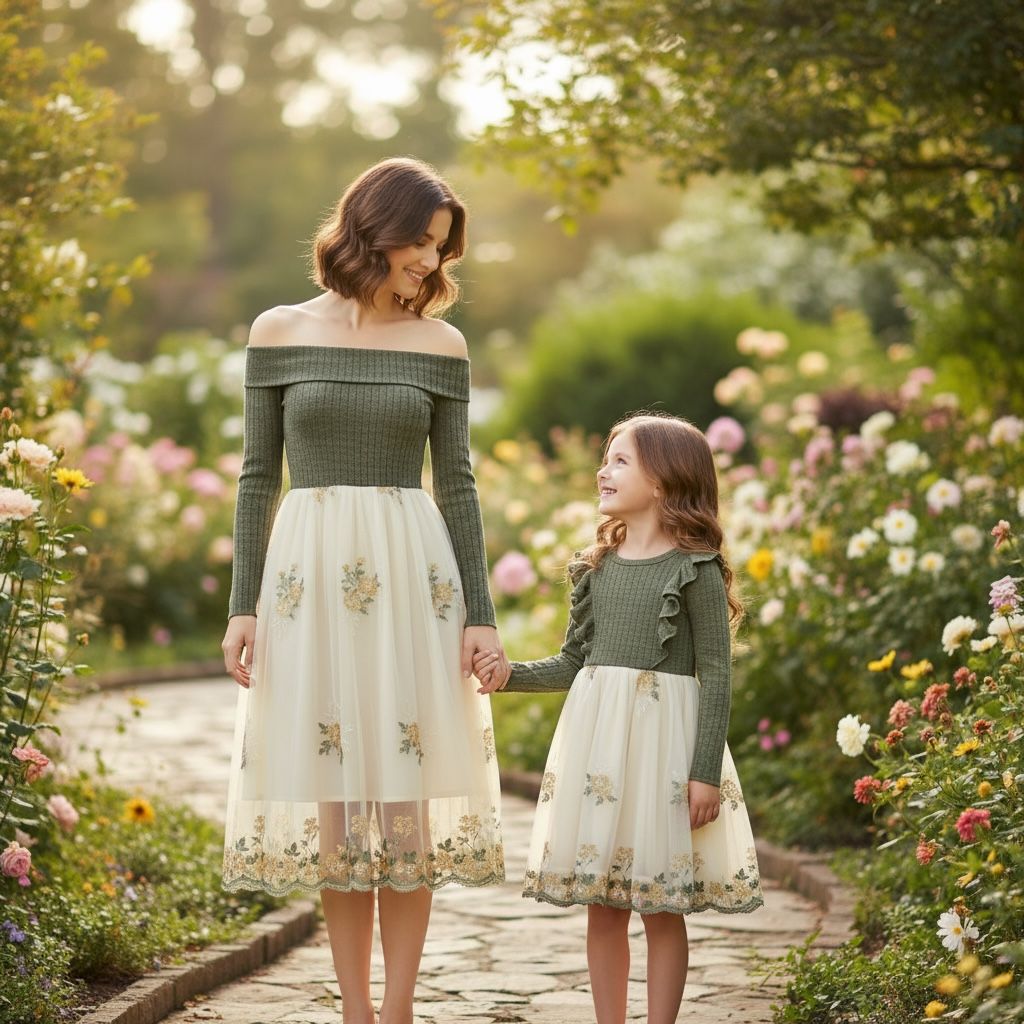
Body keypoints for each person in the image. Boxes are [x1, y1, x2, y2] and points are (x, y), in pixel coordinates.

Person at [220, 158, 505, 1024]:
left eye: (440, 248)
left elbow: (456, 484)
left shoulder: (440, 346)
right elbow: (256, 475)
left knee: (407, 809)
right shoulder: (277, 331)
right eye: (421, 241)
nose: (431, 261)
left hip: (413, 581)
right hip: (307, 584)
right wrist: (243, 603)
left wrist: (480, 619)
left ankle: (401, 1009)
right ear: (372, 227)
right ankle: (354, 1011)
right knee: (340, 813)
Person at [475, 412, 763, 1024]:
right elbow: (573, 662)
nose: (603, 471)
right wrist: (507, 676)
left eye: (620, 460)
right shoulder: (595, 567)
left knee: (662, 905)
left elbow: (717, 671)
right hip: (599, 752)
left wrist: (704, 771)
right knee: (603, 903)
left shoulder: (696, 568)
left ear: (662, 480)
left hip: (666, 751)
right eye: (606, 458)